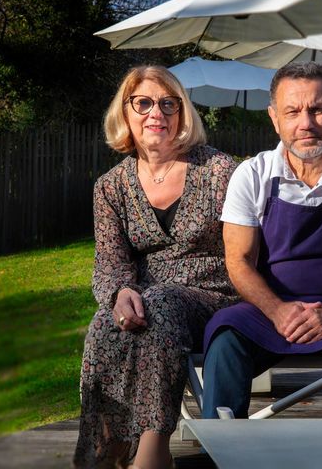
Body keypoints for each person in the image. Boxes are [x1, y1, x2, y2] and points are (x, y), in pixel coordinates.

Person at [201, 61, 322, 419]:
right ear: (275, 118)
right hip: (269, 310)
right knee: (225, 335)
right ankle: (218, 449)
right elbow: (238, 261)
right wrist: (278, 311)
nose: (306, 123)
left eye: (317, 109)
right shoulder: (251, 175)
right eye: (292, 111)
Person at [73, 66, 238, 469]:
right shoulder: (111, 186)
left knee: (160, 303)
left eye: (168, 104)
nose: (156, 114)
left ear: (183, 113)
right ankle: (103, 451)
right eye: (143, 103)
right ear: (125, 113)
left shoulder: (218, 171)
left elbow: (246, 248)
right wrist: (119, 294)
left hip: (215, 296)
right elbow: (110, 261)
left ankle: (152, 452)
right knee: (104, 323)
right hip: (148, 302)